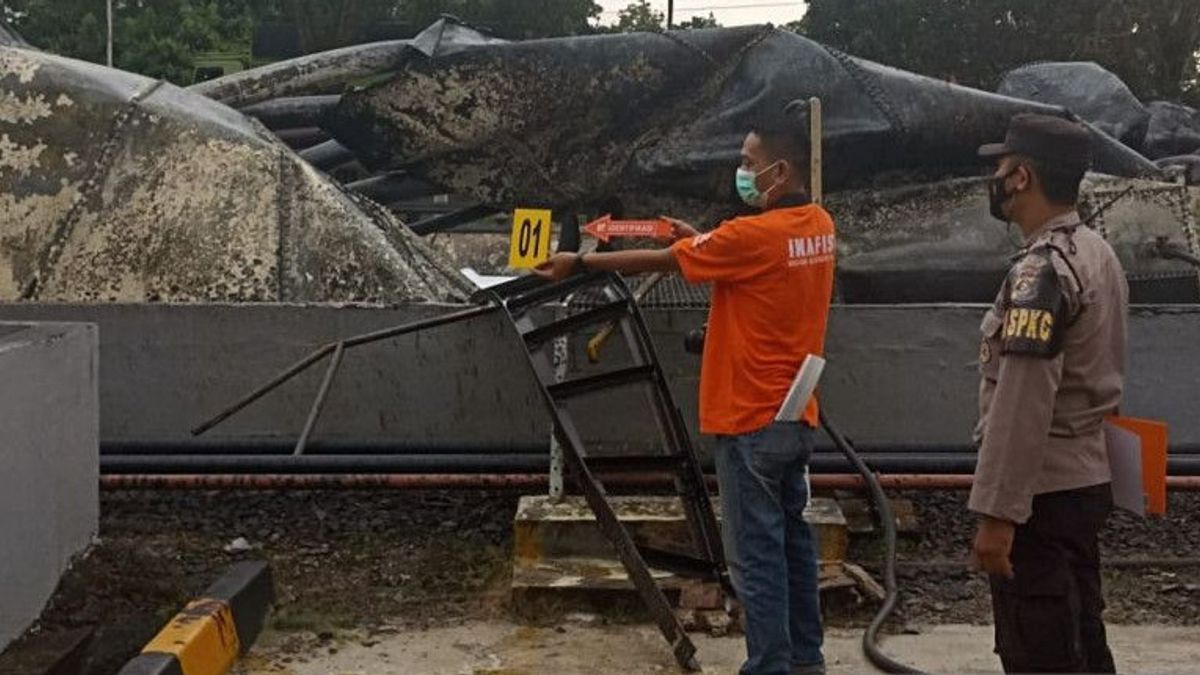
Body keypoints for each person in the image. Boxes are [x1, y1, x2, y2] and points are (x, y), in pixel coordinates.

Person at [535, 121, 835, 675]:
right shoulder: (817, 225)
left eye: (750, 161)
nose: (743, 171)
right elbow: (744, 261)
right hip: (794, 416)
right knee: (794, 544)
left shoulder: (752, 237)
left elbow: (674, 262)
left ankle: (769, 666)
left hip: (749, 420)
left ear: (781, 170)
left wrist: (579, 263)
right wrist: (694, 235)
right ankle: (805, 661)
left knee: (756, 560)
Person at [971, 113, 1128, 674]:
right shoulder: (1095, 252)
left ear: (1021, 176)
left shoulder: (1040, 273)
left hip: (1041, 497)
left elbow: (1022, 404)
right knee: (1081, 632)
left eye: (1000, 166)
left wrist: (997, 515)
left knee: (1040, 647)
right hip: (1084, 482)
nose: (994, 177)